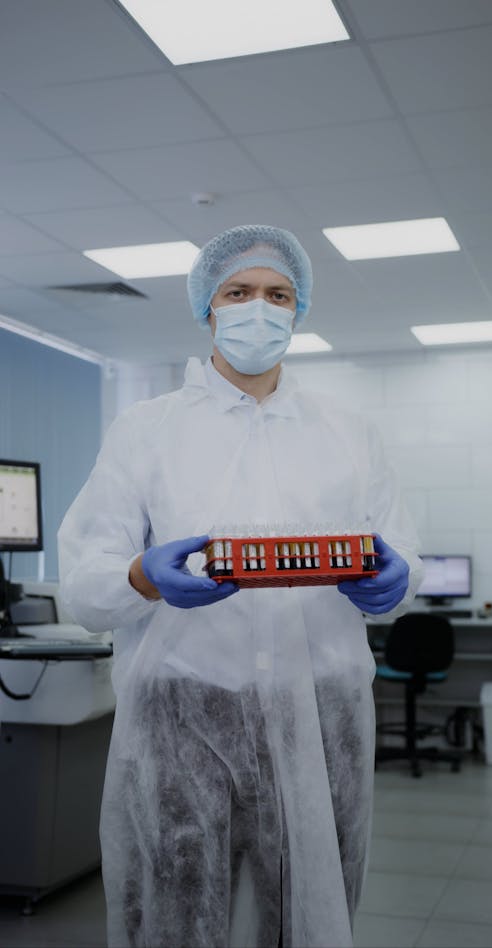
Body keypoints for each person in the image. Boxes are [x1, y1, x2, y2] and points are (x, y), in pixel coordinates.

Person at [58, 225, 423, 948]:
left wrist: (394, 581)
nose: (260, 307)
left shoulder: (348, 434)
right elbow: (86, 585)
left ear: (299, 309)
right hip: (183, 716)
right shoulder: (148, 431)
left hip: (322, 716)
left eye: (278, 294)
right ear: (208, 308)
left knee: (313, 906)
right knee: (177, 907)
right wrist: (142, 575)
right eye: (240, 292)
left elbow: (397, 549)